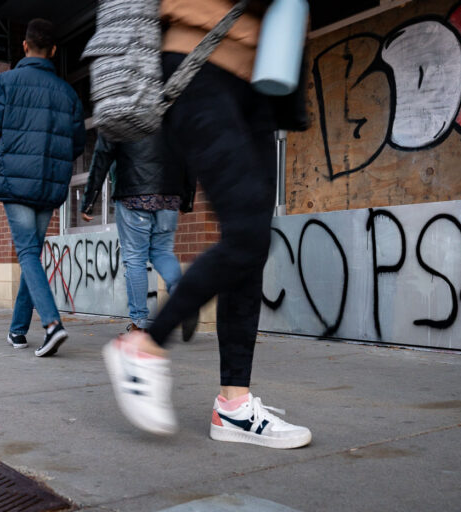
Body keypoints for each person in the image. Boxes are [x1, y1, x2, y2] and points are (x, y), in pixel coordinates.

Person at [102, 0, 312, 449]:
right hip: (199, 58)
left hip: (260, 77)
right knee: (247, 235)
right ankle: (145, 344)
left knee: (252, 245)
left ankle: (234, 404)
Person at [0, 19, 86, 357]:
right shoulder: (68, 94)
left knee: (26, 253)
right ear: (52, 51)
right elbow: (77, 142)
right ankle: (18, 330)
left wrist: (5, 143)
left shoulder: (5, 82)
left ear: (25, 46)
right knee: (31, 255)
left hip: (16, 179)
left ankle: (52, 325)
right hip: (48, 182)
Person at [80, 132, 197, 339]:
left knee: (135, 258)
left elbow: (102, 156)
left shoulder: (120, 109)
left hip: (132, 193)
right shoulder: (170, 106)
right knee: (163, 251)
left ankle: (138, 324)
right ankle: (184, 297)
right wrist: (186, 198)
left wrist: (89, 200)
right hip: (169, 195)